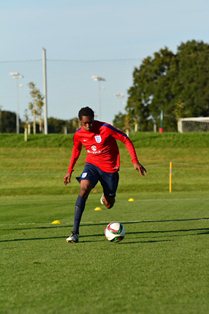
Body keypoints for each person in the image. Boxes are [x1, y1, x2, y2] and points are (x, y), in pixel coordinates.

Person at [64, 106, 146, 243]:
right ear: (80, 122)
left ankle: (105, 196)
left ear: (93, 119)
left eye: (90, 122)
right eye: (85, 123)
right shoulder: (78, 134)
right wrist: (69, 170)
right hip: (92, 166)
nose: (88, 125)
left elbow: (126, 139)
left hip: (110, 169)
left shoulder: (105, 128)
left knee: (109, 204)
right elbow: (76, 151)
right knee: (84, 188)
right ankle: (75, 233)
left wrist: (135, 161)